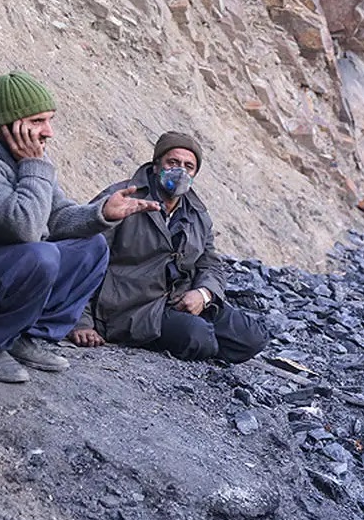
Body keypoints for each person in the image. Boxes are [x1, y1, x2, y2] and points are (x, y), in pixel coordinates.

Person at [0, 70, 161, 384]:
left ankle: (24, 336)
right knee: (40, 256)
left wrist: (101, 213)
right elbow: (24, 228)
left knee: (92, 247)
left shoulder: (29, 161)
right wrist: (35, 166)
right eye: (38, 121)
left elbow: (55, 217)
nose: (49, 132)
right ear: (9, 124)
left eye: (50, 120)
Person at [68, 131, 270, 365]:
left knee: (252, 337)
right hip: (129, 309)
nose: (180, 170)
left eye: (188, 166)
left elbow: (210, 264)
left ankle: (194, 339)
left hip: (179, 301)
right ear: (156, 166)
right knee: (198, 336)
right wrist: (80, 322)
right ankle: (184, 340)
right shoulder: (123, 199)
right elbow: (83, 257)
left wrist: (203, 295)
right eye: (172, 162)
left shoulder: (197, 213)